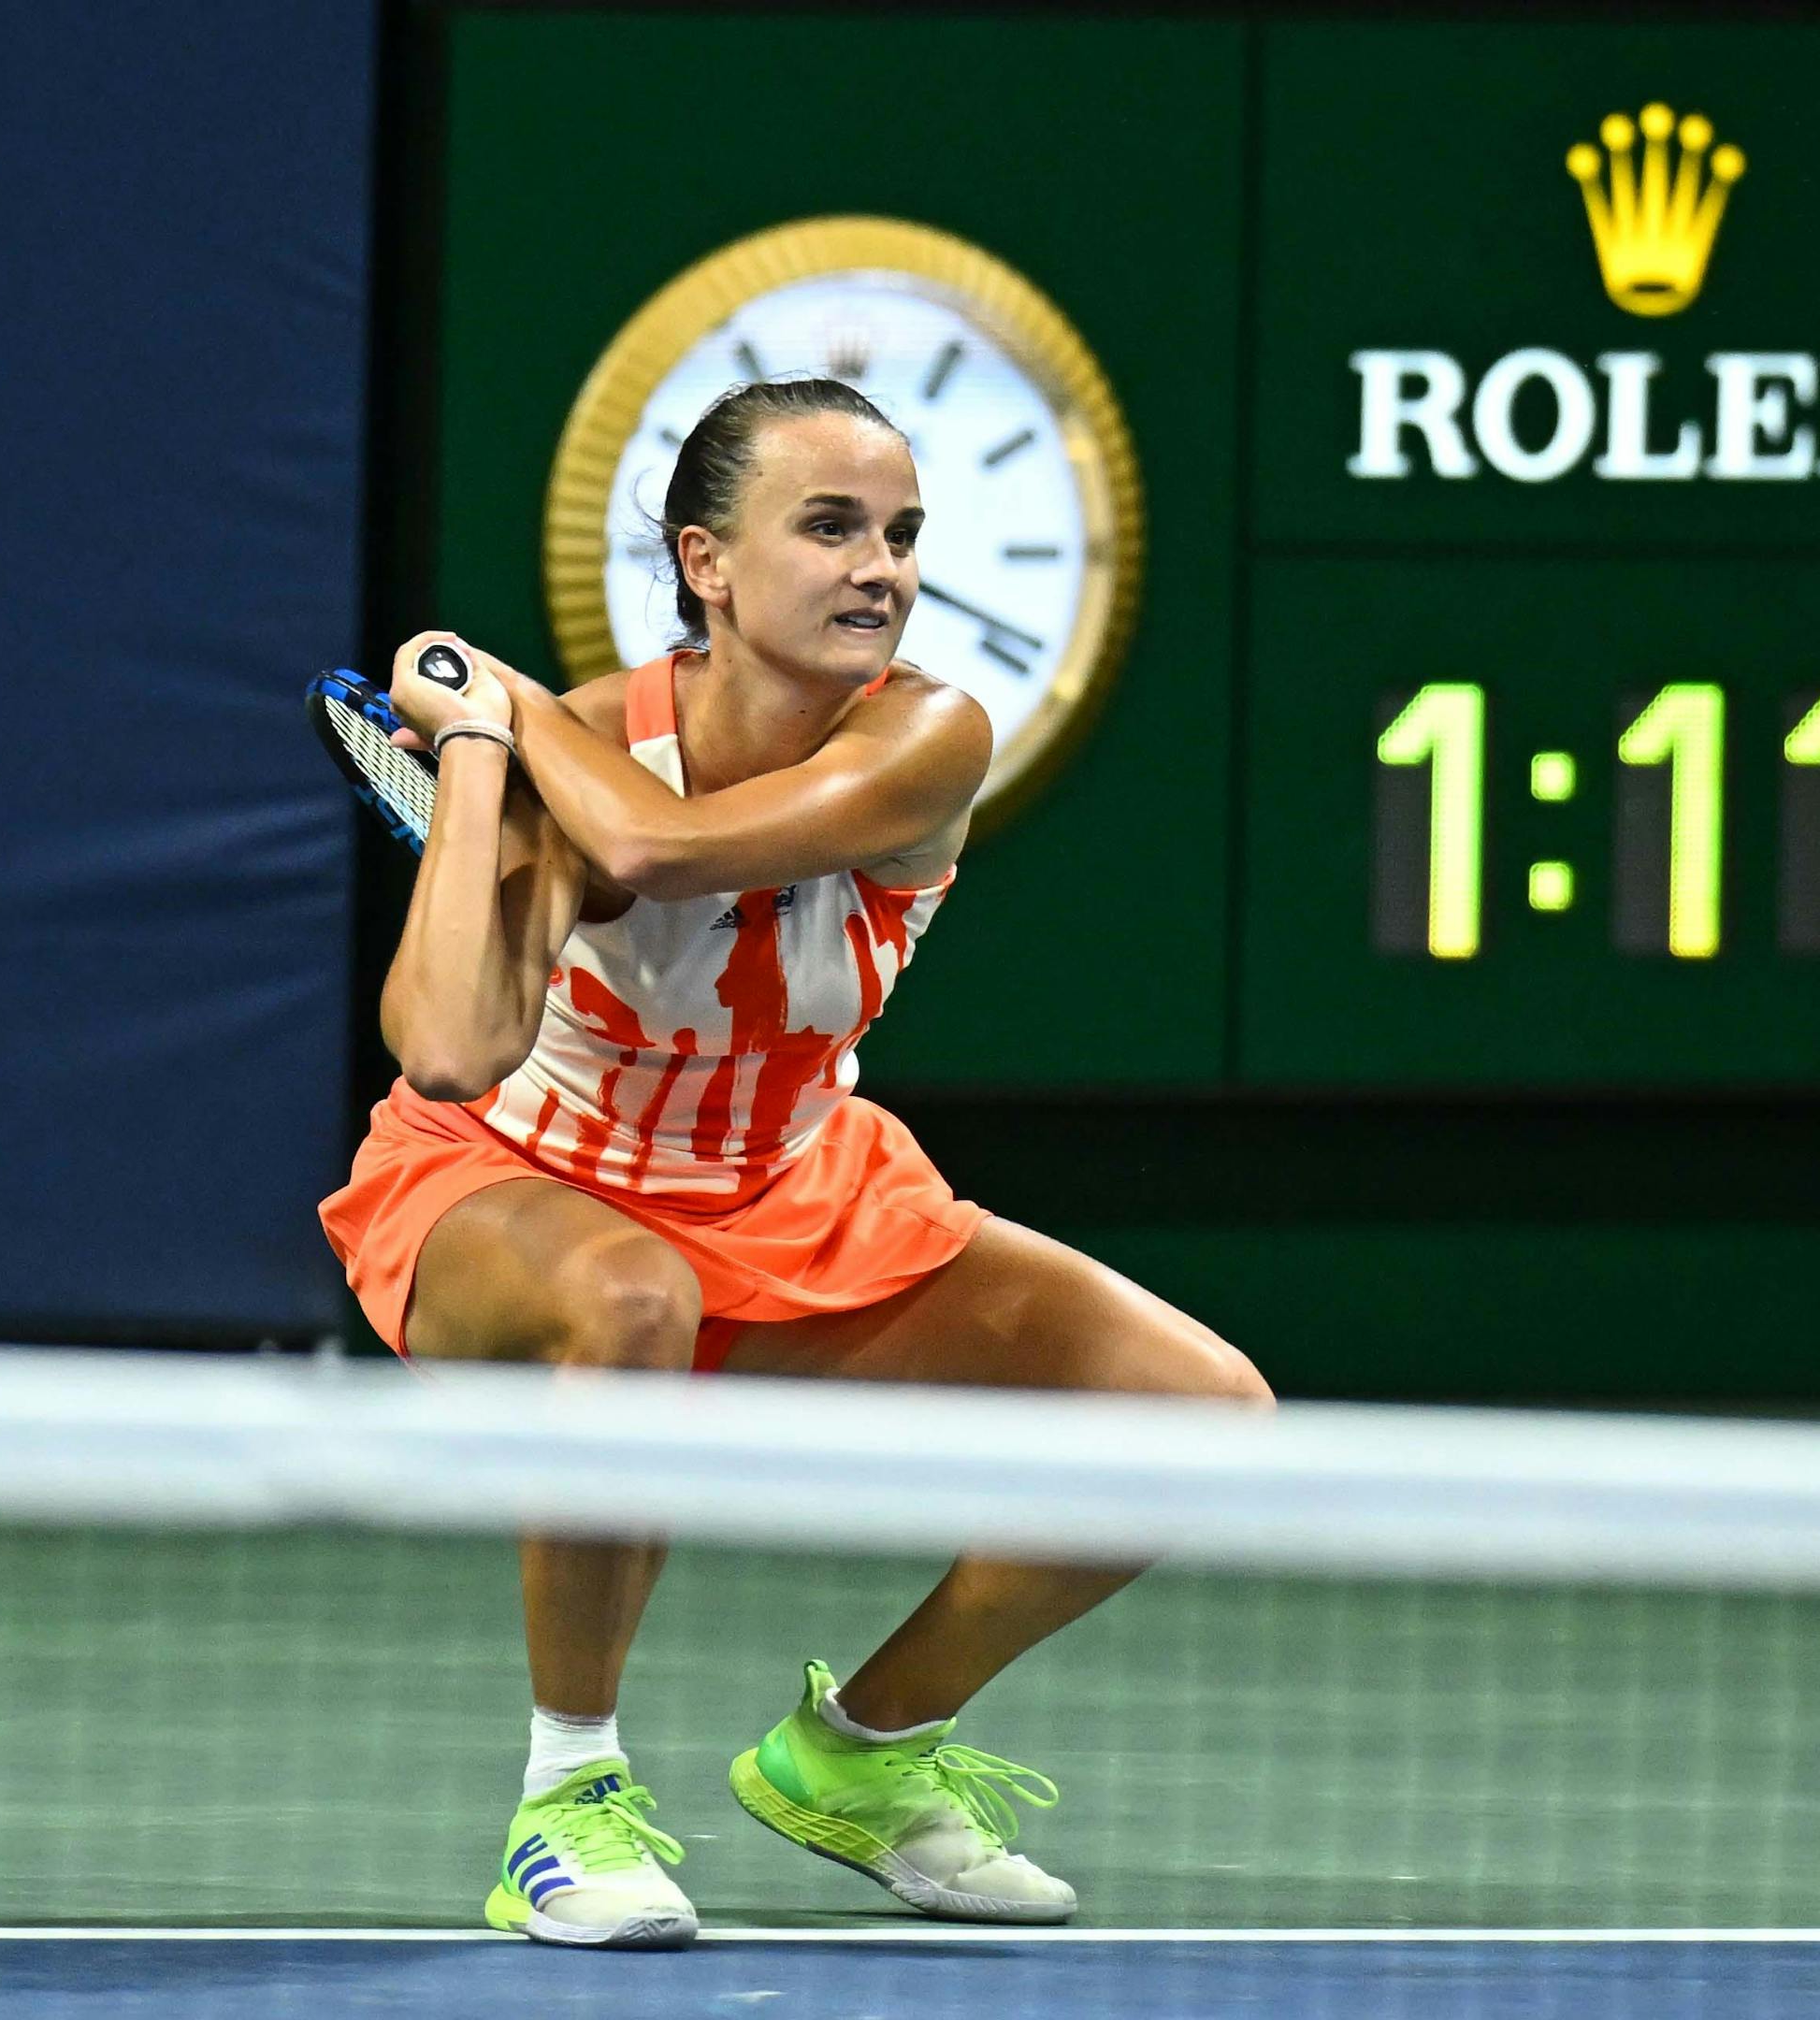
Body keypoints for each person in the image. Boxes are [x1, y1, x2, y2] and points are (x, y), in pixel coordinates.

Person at [319, 376, 1274, 1947]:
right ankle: (565, 1805)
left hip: (792, 1191)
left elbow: (659, 851)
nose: (880, 567)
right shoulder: (571, 751)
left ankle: (861, 1754)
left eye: (900, 533)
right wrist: (486, 757)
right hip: (512, 1190)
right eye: (828, 527)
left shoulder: (928, 733)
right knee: (628, 1297)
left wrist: (502, 712)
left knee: (1203, 1412)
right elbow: (447, 1054)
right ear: (706, 561)